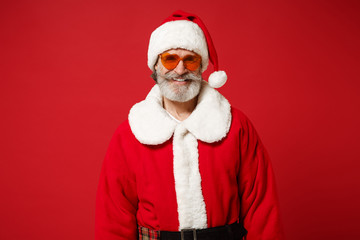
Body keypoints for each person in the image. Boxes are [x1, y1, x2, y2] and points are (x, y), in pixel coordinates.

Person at [95, 10, 284, 240]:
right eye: (170, 59)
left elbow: (262, 209)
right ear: (156, 66)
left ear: (201, 67)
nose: (180, 69)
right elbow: (113, 219)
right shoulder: (130, 133)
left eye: (190, 59)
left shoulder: (236, 126)